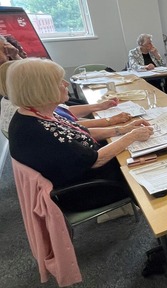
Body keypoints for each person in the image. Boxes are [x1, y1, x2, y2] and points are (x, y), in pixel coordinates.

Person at [8, 58, 154, 211]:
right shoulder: (34, 131)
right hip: (86, 189)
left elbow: (80, 131)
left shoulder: (39, 113)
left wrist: (123, 130)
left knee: (147, 153)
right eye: (59, 81)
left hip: (87, 173)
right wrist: (131, 136)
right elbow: (95, 160)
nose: (66, 84)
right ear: (41, 89)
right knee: (151, 165)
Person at [0, 61, 132, 136]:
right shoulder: (36, 123)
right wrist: (116, 126)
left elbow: (68, 117)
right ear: (39, 87)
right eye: (58, 81)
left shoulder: (34, 111)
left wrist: (100, 108)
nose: (66, 83)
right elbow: (73, 130)